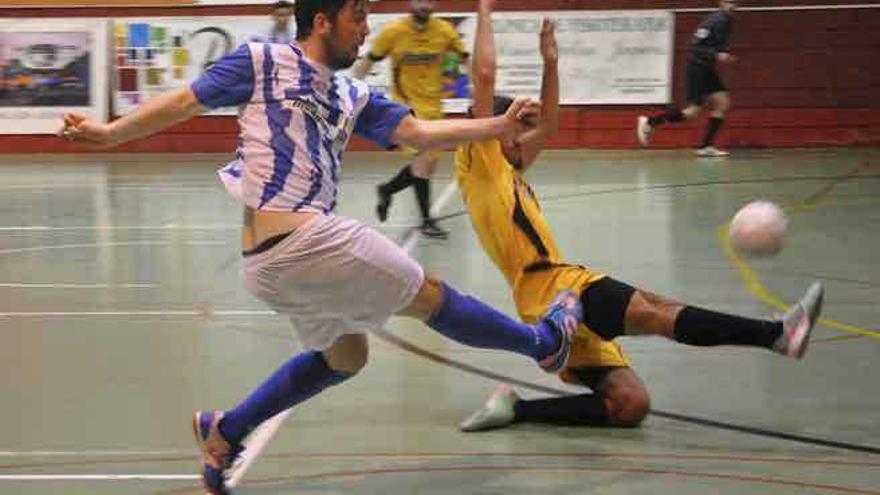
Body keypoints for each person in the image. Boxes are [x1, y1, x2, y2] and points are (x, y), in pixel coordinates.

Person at [60, 1, 583, 493]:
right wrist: (109, 133)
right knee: (428, 294)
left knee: (346, 356)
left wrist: (500, 125)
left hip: (275, 261)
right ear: (323, 21)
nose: (366, 29)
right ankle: (543, 344)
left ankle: (225, 430)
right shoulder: (264, 61)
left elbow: (419, 132)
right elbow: (184, 101)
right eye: (358, 16)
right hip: (300, 239)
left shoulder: (351, 94)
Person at [454, 0, 823, 433]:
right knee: (654, 315)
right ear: (496, 129)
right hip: (555, 292)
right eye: (519, 131)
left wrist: (549, 63)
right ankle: (776, 335)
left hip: (550, 298)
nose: (528, 139)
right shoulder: (479, 159)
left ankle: (515, 408)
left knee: (630, 403)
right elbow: (483, 77)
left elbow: (550, 125)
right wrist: (483, 6)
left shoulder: (507, 170)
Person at [352, 0, 470, 238]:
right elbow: (369, 60)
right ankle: (426, 220)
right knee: (425, 161)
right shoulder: (394, 32)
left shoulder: (444, 31)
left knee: (425, 165)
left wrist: (476, 84)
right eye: (419, 1)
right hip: (405, 109)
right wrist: (353, 90)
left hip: (434, 108)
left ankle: (387, 190)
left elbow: (465, 58)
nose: (423, 5)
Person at [637, 0, 738, 157]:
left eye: (735, 3)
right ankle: (650, 122)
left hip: (707, 68)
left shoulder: (727, 22)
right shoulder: (713, 21)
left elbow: (715, 45)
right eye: (729, 2)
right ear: (721, 3)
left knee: (723, 104)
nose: (733, 6)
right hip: (697, 68)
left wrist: (723, 54)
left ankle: (706, 146)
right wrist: (717, 54)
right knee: (692, 112)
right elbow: (695, 46)